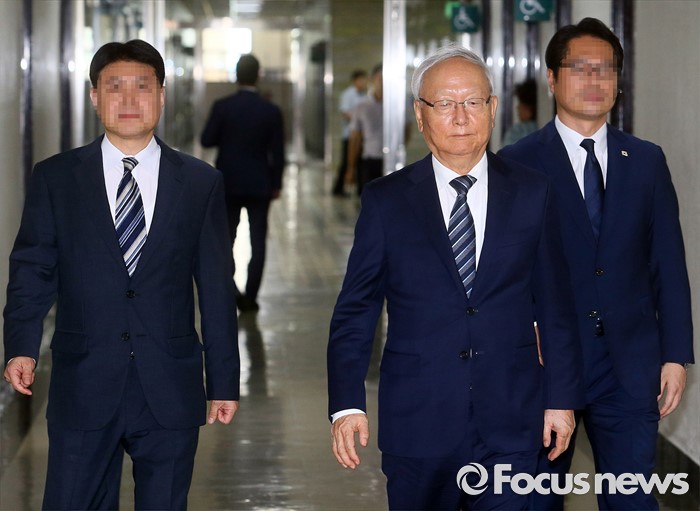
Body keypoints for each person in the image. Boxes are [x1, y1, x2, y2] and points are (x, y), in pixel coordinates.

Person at [327, 44, 584, 510]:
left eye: (473, 102)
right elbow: (356, 310)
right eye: (445, 103)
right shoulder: (387, 201)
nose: (461, 116)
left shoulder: (533, 193)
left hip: (513, 419)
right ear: (420, 114)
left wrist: (561, 400)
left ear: (493, 108)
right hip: (418, 422)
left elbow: (557, 307)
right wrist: (347, 404)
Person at [2, 40, 239, 510]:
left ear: (162, 96)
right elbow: (33, 268)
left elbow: (216, 288)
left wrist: (223, 381)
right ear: (95, 96)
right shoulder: (56, 178)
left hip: (169, 385)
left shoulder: (199, 182)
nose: (129, 100)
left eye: (142, 87)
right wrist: (21, 346)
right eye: (115, 87)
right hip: (83, 381)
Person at [499, 18, 694, 510]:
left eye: (606, 69)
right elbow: (504, 271)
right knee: (536, 498)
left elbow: (668, 263)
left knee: (631, 499)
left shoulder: (645, 161)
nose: (594, 79)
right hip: (545, 366)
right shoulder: (517, 163)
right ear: (551, 78)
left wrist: (675, 354)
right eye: (579, 68)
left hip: (628, 364)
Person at [201, 53, 285, 312]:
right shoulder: (271, 110)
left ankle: (233, 290)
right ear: (259, 75)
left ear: (236, 76)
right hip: (260, 183)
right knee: (258, 241)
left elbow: (206, 139)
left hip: (228, 182)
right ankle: (251, 297)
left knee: (226, 238)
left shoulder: (222, 107)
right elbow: (278, 152)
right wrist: (277, 183)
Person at [346, 63, 384, 195]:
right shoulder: (362, 106)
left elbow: (406, 131)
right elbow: (355, 139)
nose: (382, 83)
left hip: (390, 160)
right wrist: (351, 169)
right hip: (370, 159)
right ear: (373, 79)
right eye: (379, 79)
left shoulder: (397, 105)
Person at [332, 69, 368, 197]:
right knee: (347, 162)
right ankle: (338, 188)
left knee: (360, 163)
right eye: (361, 80)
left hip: (362, 135)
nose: (363, 83)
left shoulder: (364, 95)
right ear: (355, 81)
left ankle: (360, 189)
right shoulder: (348, 94)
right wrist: (358, 120)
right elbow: (345, 112)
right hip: (349, 134)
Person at [502, 78, 538, 146]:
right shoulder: (550, 131)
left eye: (520, 103)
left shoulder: (515, 134)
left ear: (528, 109)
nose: (518, 107)